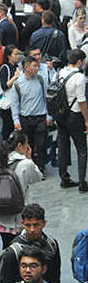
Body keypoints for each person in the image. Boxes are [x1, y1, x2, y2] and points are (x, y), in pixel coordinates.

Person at [0, 131, 43, 249]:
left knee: (7, 247)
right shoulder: (26, 164)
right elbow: (38, 178)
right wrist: (30, 158)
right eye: (26, 145)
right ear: (20, 146)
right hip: (18, 216)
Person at [0, 204, 61, 283]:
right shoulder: (13, 252)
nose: (32, 229)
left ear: (44, 223)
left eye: (36, 225)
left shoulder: (52, 244)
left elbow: (56, 277)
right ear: (22, 223)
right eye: (28, 225)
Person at [54, 49, 88, 193]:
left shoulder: (59, 73)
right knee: (81, 148)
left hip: (60, 114)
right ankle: (82, 183)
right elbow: (81, 101)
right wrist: (87, 120)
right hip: (74, 115)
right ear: (79, 61)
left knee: (62, 145)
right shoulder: (79, 77)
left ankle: (64, 178)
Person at [11, 56, 50, 177]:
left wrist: (49, 116)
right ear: (26, 67)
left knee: (41, 144)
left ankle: (41, 168)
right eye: (34, 66)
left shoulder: (41, 80)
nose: (37, 68)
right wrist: (16, 120)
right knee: (28, 145)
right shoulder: (17, 83)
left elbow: (47, 98)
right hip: (25, 119)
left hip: (40, 117)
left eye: (38, 66)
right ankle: (30, 167)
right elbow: (15, 103)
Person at [0, 45, 20, 139]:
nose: (18, 56)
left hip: (14, 101)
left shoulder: (17, 67)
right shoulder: (5, 68)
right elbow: (4, 86)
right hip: (6, 101)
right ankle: (1, 147)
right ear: (8, 56)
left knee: (11, 126)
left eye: (18, 54)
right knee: (7, 126)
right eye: (16, 54)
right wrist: (15, 77)